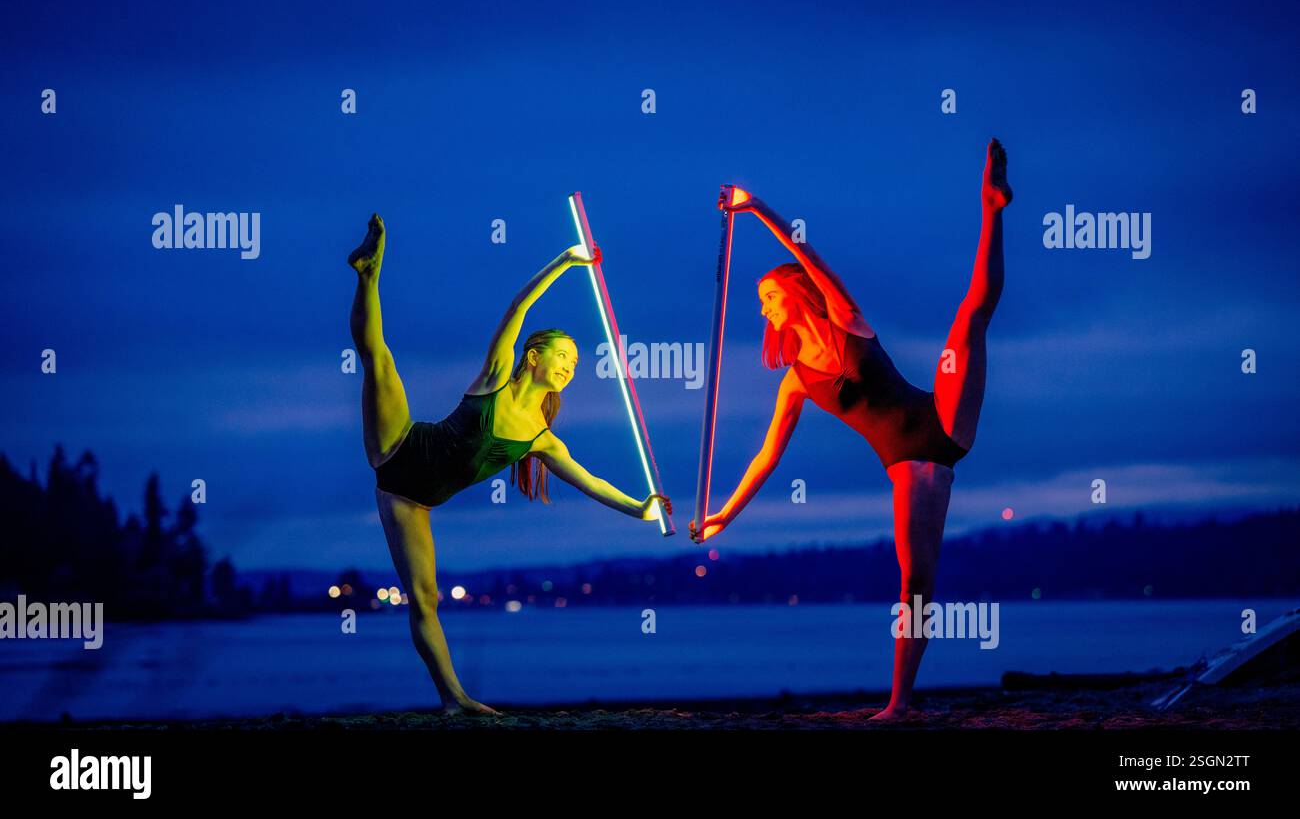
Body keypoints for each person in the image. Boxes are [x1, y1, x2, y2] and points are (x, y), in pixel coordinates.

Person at [689, 138, 1012, 720]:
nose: (762, 308)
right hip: (909, 461)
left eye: (768, 296)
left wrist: (756, 206)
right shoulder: (795, 382)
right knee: (915, 580)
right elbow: (766, 459)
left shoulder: (846, 319)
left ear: (794, 293)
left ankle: (992, 208)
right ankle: (901, 704)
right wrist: (722, 515)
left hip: (940, 414)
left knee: (971, 316)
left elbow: (809, 252)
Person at [348, 214, 672, 715]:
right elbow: (520, 305)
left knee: (425, 598)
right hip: (401, 446)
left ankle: (453, 700)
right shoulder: (497, 376)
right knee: (380, 360)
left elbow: (591, 483)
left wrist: (641, 509)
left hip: (410, 500)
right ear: (533, 356)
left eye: (575, 365)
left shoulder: (542, 440)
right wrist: (567, 260)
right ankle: (369, 273)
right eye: (562, 356)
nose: (568, 367)